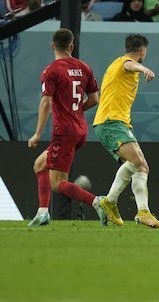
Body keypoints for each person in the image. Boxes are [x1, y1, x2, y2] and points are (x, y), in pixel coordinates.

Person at [26, 28, 108, 226]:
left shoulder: (51, 70)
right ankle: (43, 211)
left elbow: (45, 102)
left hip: (64, 132)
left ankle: (97, 202)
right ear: (71, 46)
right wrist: (76, 111)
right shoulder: (84, 67)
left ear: (52, 45)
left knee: (57, 183)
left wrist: (37, 133)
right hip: (80, 130)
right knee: (39, 164)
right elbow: (95, 99)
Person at [93, 34, 159, 228]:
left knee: (142, 167)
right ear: (142, 52)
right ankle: (109, 201)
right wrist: (144, 68)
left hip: (119, 123)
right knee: (137, 161)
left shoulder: (117, 65)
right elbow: (130, 65)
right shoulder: (125, 63)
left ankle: (143, 212)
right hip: (110, 122)